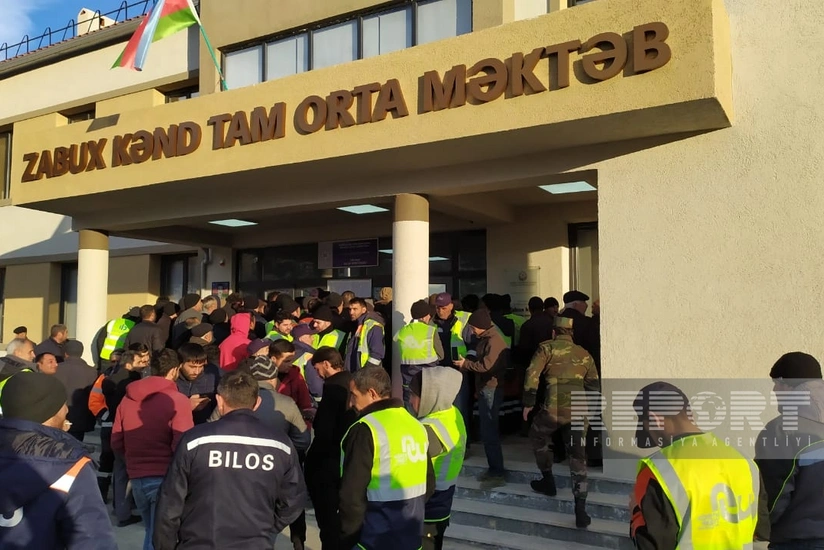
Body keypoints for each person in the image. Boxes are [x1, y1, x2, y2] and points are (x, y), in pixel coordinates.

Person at [153, 370, 307, 550]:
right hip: (256, 542)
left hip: (199, 542)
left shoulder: (194, 441)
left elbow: (170, 501)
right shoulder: (280, 444)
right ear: (257, 403)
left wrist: (165, 546)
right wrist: (268, 527)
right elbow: (294, 499)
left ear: (219, 401)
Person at [630, 381, 769, 548]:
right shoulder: (744, 462)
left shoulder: (658, 469)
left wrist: (636, 513)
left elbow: (650, 545)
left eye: (649, 431)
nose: (655, 441)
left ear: (655, 419)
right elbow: (760, 533)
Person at [0, 372, 117, 549]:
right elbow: (92, 541)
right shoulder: (71, 465)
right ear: (48, 411)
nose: (67, 410)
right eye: (62, 404)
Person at [340, 365, 435, 550]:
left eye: (354, 395)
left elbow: (351, 495)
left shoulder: (364, 429)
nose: (351, 403)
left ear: (372, 394)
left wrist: (348, 539)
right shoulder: (415, 425)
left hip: (373, 539)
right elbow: (429, 482)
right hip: (411, 535)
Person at [112, 348, 194, 550]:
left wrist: (130, 461)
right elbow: (182, 444)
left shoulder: (127, 399)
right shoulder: (178, 401)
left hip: (137, 475)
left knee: (150, 530)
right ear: (175, 370)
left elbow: (116, 439)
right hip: (165, 477)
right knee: (161, 537)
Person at [522, 316, 599, 528]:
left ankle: (548, 480)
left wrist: (528, 402)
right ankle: (580, 510)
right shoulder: (584, 354)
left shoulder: (546, 349)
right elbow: (594, 387)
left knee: (537, 435)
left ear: (554, 332)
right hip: (579, 410)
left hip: (553, 409)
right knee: (578, 458)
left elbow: (532, 374)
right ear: (571, 333)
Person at [755, 352, 824, 548]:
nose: (774, 390)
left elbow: (775, 492)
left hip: (798, 540)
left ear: (789, 384)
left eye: (777, 383)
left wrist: (760, 528)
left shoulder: (782, 430)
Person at [304, 347, 357, 550]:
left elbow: (325, 430)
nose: (317, 373)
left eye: (318, 368)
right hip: (345, 463)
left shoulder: (333, 387)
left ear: (326, 364)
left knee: (328, 526)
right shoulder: (351, 383)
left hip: (328, 465)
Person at [409, 367, 466, 550]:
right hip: (443, 501)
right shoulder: (452, 413)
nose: (410, 401)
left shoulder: (428, 430)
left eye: (415, 395)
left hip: (428, 508)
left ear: (431, 396)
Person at [453, 309, 508, 488]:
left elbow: (486, 366)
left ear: (481, 326)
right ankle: (494, 469)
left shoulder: (494, 341)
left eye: (473, 328)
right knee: (487, 430)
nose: (472, 331)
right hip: (487, 388)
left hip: (491, 389)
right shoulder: (488, 339)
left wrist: (465, 364)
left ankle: (497, 471)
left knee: (489, 431)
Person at [432, 293, 476, 436]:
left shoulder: (463, 319)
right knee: (440, 409)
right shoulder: (431, 322)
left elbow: (473, 345)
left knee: (460, 408)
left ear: (451, 306)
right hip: (438, 372)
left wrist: (467, 362)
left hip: (458, 371)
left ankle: (463, 442)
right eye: (438, 307)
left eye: (443, 307)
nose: (440, 311)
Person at [397, 299, 444, 408]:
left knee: (410, 408)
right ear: (425, 316)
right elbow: (441, 355)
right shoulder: (430, 330)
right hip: (428, 377)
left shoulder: (402, 331)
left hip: (407, 377)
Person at [54, 339, 97, 441]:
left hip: (58, 415)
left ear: (65, 353)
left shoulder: (55, 369)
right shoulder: (92, 371)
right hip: (81, 417)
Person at [270, 339, 315, 428]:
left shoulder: (296, 376)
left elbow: (306, 406)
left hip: (290, 428)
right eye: (286, 361)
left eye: (291, 360)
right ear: (273, 359)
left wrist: (305, 432)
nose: (290, 364)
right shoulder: (262, 377)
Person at [175, 343, 221, 424]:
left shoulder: (213, 375)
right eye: (192, 367)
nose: (196, 372)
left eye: (200, 367)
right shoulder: (171, 379)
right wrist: (186, 406)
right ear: (180, 364)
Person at [344, 297, 385, 372]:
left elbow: (376, 354)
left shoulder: (374, 326)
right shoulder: (354, 326)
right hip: (355, 373)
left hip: (367, 375)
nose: (351, 312)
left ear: (363, 310)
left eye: (355, 309)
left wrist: (366, 373)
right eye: (350, 309)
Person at [516, 296, 554, 365]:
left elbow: (524, 348)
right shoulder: (552, 322)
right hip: (550, 361)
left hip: (534, 362)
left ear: (530, 309)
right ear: (543, 308)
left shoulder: (527, 325)